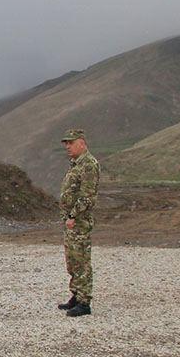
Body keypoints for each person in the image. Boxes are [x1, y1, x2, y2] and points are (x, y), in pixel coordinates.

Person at [58, 129, 100, 317]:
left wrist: (73, 215)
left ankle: (84, 302)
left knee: (81, 260)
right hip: (71, 221)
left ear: (81, 143)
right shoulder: (76, 164)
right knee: (72, 260)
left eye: (70, 142)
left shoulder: (88, 165)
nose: (67, 146)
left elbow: (88, 196)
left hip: (79, 221)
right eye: (65, 143)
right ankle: (76, 295)